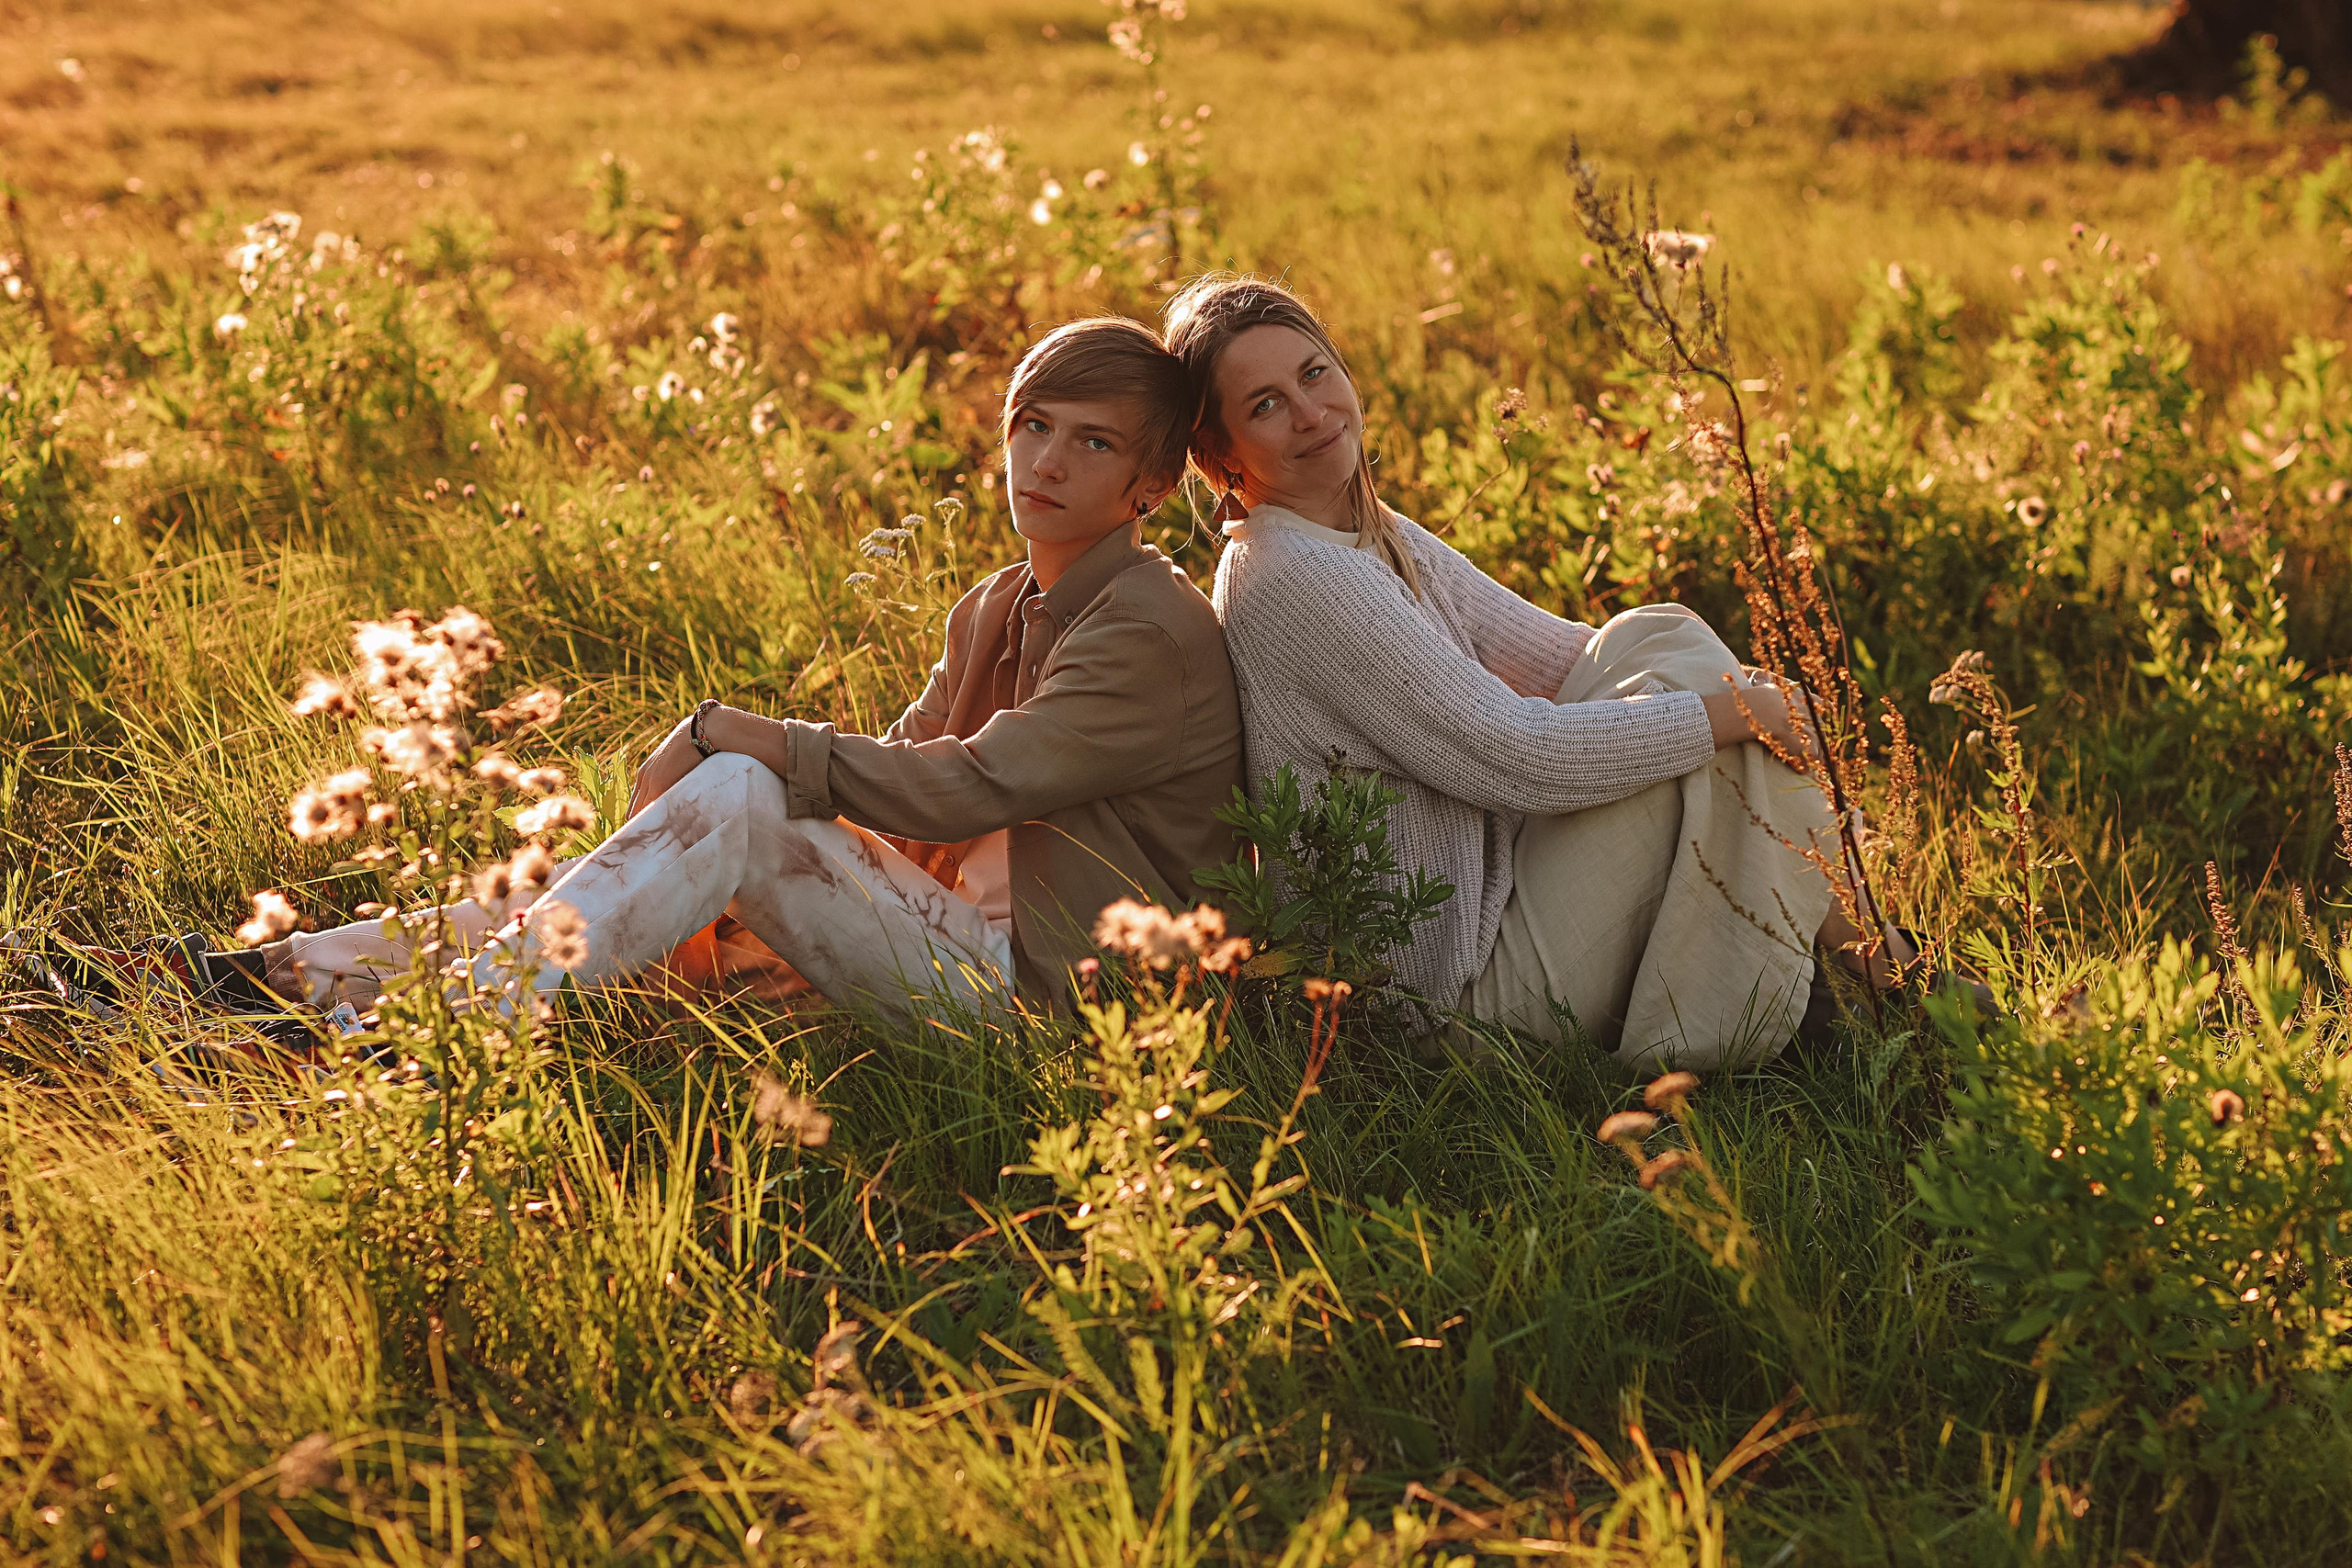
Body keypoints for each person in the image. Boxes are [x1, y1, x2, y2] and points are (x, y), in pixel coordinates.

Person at [162, 316, 1244, 1029]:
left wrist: (731, 737)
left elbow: (971, 784)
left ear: (1151, 485)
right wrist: (737, 799)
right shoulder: (999, 604)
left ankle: (448, 1044)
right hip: (943, 937)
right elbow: (897, 765)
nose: (1047, 461)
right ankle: (259, 982)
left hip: (1059, 1010)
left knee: (733, 790)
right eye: (1032, 426)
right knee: (639, 860)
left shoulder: (1144, 627)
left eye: (1093, 444)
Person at [1163, 274, 1927, 1072]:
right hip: (1436, 1009)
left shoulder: (1361, 530)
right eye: (1266, 405)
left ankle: (1842, 972)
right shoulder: (1294, 576)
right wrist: (1739, 711)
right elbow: (1517, 752)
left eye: (1314, 373)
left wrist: (1732, 701)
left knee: (1662, 637)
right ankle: (1842, 985)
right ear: (1221, 457)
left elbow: (1571, 659)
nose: (1312, 411)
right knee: (1717, 722)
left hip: (1490, 910)